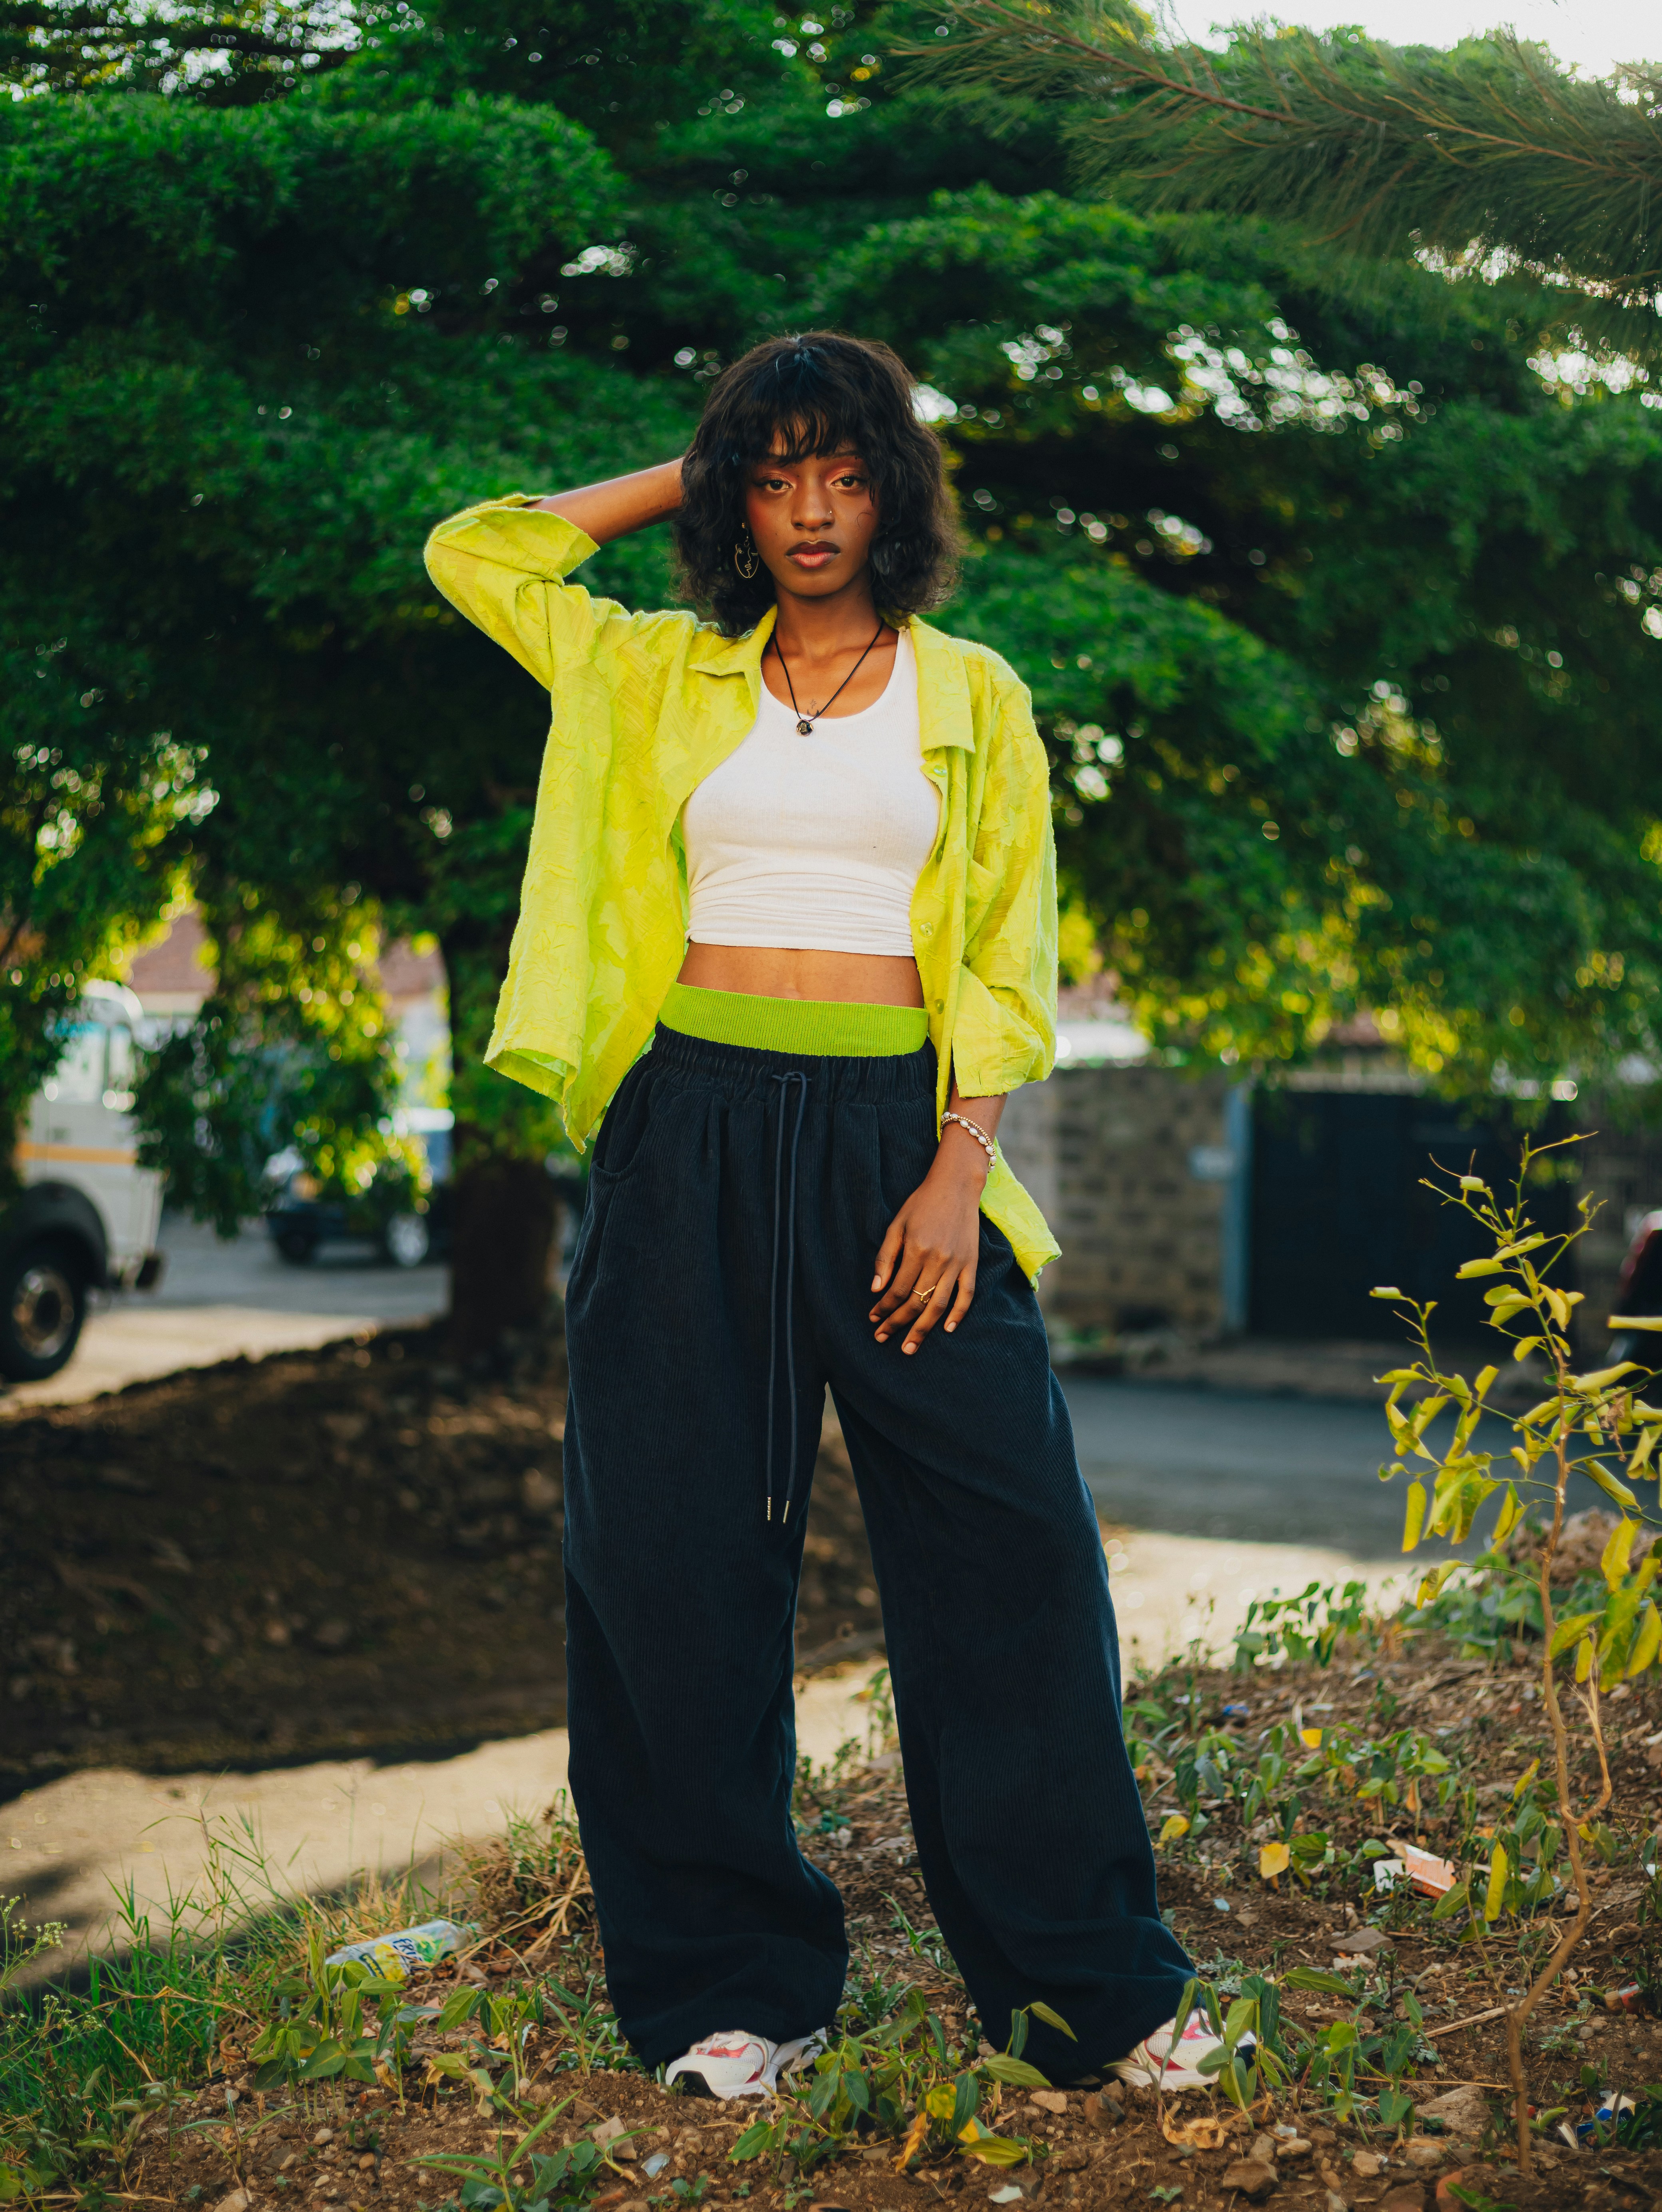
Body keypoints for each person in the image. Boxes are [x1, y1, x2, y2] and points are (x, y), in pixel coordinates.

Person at [424, 331, 1201, 2101]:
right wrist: (686, 464)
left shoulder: (971, 692)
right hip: (684, 1128)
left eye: (841, 472)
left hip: (894, 1146)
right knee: (670, 1560)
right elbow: (476, 550)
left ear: (894, 491)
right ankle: (729, 1988)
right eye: (769, 477)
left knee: (1009, 1553)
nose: (806, 511)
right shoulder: (652, 669)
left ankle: (1089, 1993)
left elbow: (1005, 951)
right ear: (734, 500)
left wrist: (953, 1163)